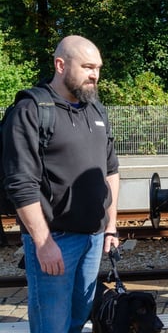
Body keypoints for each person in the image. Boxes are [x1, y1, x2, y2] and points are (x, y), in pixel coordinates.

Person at [1, 35, 120, 333]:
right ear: (60, 65)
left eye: (98, 68)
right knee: (51, 327)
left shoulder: (95, 109)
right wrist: (43, 243)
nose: (95, 74)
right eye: (88, 67)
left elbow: (111, 170)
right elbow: (20, 183)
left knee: (79, 322)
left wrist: (111, 226)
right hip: (56, 240)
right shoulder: (31, 111)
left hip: (93, 239)